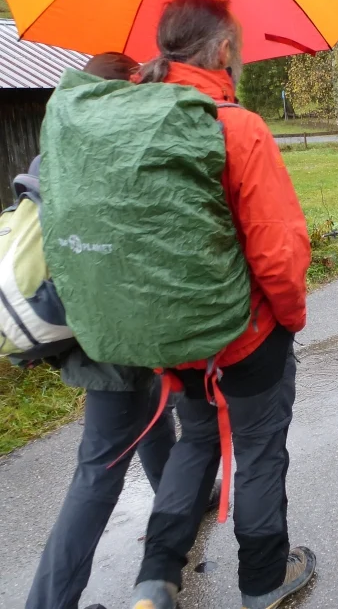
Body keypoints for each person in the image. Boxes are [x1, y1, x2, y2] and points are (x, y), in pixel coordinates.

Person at [128, 0, 313, 609]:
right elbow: (277, 254)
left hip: (171, 335)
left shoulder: (132, 125)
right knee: (259, 448)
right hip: (245, 338)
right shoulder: (238, 128)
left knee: (197, 439)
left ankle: (156, 579)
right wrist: (289, 320)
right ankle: (262, 581)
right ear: (225, 52)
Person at [24, 53, 218, 609]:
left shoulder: (58, 144)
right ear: (125, 91)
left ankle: (182, 496)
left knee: (148, 412)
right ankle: (49, 601)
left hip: (82, 319)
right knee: (100, 469)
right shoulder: (123, 147)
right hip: (119, 325)